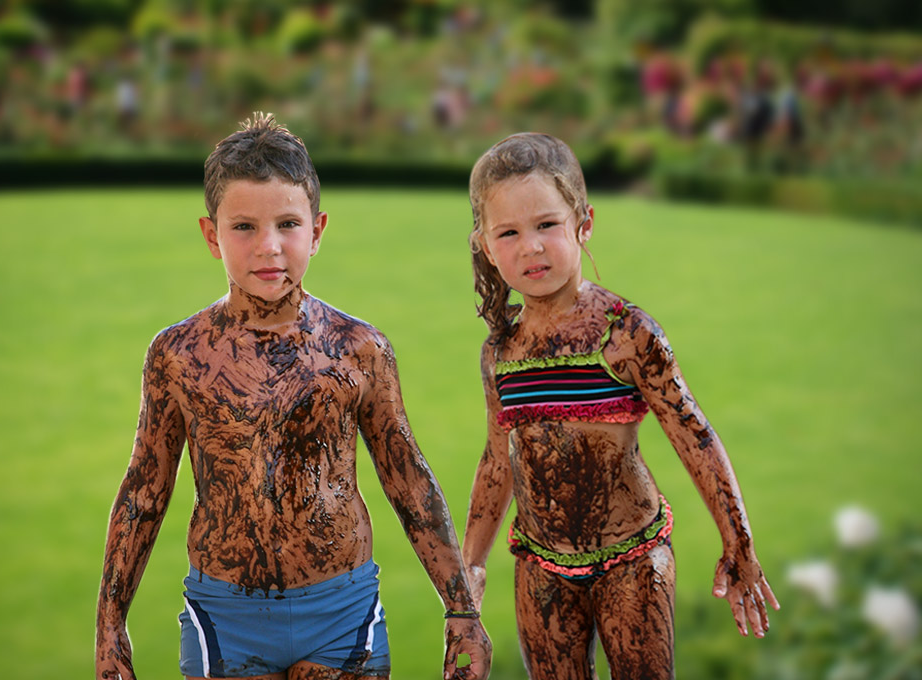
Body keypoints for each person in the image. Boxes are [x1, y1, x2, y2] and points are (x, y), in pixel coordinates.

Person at [95, 113, 491, 680]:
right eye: (244, 228)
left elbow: (408, 478)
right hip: (225, 615)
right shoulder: (179, 354)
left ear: (318, 229)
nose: (270, 247)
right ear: (212, 235)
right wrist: (110, 626)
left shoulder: (359, 350)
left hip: (341, 609)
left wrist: (461, 612)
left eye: (287, 224)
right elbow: (144, 489)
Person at [460, 133, 779, 679]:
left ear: (583, 225)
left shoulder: (626, 334)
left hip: (632, 558)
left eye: (547, 225)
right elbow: (497, 462)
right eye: (509, 233)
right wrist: (470, 563)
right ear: (487, 246)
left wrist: (738, 539)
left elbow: (693, 435)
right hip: (541, 564)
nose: (531, 247)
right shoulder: (501, 351)